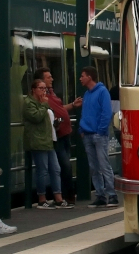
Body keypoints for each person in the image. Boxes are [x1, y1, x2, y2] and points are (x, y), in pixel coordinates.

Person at [34, 68, 81, 205]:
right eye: (48, 77)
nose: (52, 79)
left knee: (65, 165)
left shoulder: (51, 94)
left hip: (65, 134)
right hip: (58, 136)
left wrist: (72, 105)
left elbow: (59, 109)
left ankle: (66, 196)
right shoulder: (42, 98)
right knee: (64, 166)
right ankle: (67, 196)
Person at [23, 78, 70, 209]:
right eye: (41, 88)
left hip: (49, 140)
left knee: (55, 169)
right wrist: (44, 105)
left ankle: (58, 198)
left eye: (45, 88)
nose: (44, 91)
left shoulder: (44, 102)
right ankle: (41, 198)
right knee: (42, 170)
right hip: (38, 141)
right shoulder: (29, 102)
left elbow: (48, 116)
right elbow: (36, 117)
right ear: (33, 89)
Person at [75, 65, 116, 208]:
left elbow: (106, 113)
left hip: (98, 135)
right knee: (94, 167)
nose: (80, 78)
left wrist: (100, 130)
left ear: (89, 77)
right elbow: (85, 113)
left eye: (82, 75)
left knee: (104, 165)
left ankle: (112, 195)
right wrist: (82, 129)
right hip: (88, 134)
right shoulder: (87, 94)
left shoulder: (102, 92)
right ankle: (100, 195)